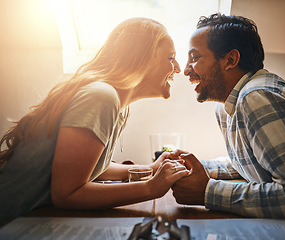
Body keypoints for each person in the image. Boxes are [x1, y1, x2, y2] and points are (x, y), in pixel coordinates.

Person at [171, 13, 285, 239]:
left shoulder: (258, 98)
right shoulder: (230, 105)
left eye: (195, 57)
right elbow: (250, 162)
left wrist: (208, 191)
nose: (186, 69)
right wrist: (185, 167)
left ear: (230, 60)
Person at [0, 17, 189, 226]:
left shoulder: (111, 100)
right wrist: (150, 188)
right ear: (143, 59)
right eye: (171, 57)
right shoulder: (101, 96)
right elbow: (67, 193)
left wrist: (151, 169)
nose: (178, 68)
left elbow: (87, 167)